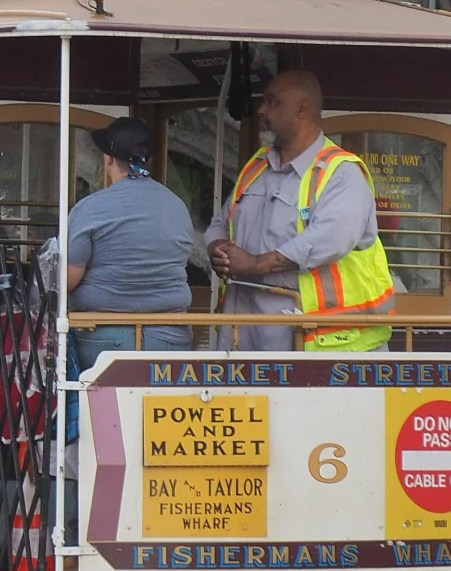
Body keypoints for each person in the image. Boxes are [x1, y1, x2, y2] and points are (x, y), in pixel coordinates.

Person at [205, 70, 393, 352]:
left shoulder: (341, 173)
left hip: (325, 348)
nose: (262, 109)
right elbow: (222, 222)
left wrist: (254, 263)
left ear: (302, 110)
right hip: (243, 338)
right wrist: (217, 247)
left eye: (273, 102)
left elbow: (329, 240)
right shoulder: (257, 165)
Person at [65, 117, 196, 369]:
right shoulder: (177, 207)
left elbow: (68, 278)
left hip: (102, 338)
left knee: (99, 409)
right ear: (150, 160)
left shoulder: (90, 209)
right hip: (171, 338)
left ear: (108, 158)